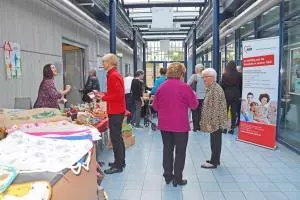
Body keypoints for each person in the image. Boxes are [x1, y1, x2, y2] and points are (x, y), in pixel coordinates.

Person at [153, 63, 198, 187]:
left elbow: (155, 106)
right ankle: (178, 178)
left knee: (167, 150)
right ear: (182, 73)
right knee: (180, 151)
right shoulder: (185, 87)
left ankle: (167, 176)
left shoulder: (161, 87)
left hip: (164, 125)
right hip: (180, 126)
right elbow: (194, 105)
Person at [97, 53, 126, 174]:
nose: (103, 64)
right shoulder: (113, 75)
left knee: (116, 138)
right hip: (116, 109)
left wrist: (104, 97)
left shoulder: (113, 75)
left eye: (104, 61)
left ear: (110, 62)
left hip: (116, 110)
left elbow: (118, 95)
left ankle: (118, 165)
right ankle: (120, 161)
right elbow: (115, 92)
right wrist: (103, 94)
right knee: (117, 137)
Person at [200, 68, 227, 169]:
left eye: (205, 77)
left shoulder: (215, 90)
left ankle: (214, 162)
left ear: (212, 78)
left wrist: (212, 123)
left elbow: (215, 108)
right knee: (215, 140)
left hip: (215, 120)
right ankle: (215, 159)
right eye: (203, 77)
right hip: (215, 120)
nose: (204, 79)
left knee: (215, 141)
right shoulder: (212, 87)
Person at [220, 61, 242, 134]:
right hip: (236, 95)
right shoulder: (239, 75)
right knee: (234, 112)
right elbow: (241, 86)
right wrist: (240, 95)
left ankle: (224, 128)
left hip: (226, 95)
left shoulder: (225, 75)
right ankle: (232, 128)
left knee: (225, 112)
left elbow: (222, 85)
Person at [187, 64, 206, 132]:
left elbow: (187, 85)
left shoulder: (194, 76)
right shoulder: (205, 76)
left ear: (197, 69)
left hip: (195, 97)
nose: (195, 69)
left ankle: (195, 127)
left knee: (195, 112)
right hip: (204, 97)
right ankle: (201, 127)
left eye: (195, 68)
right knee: (201, 112)